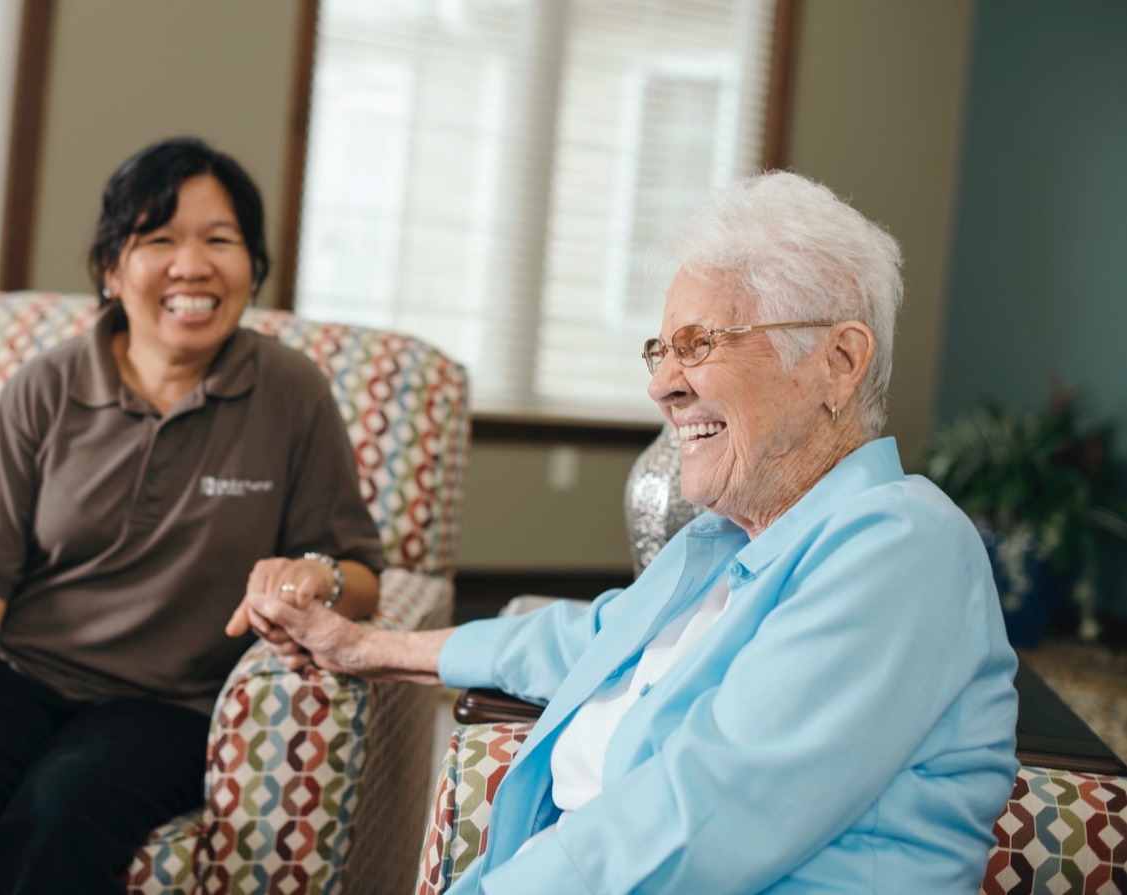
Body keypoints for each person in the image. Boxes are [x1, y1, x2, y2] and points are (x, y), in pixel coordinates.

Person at [252, 172, 1019, 894]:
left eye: (698, 343)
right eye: (661, 349)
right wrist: (364, 648)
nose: (660, 383)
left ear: (838, 361)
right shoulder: (722, 543)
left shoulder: (902, 547)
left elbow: (702, 815)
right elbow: (588, 640)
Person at [0, 137, 385, 893]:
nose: (191, 266)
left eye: (220, 241)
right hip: (17, 672)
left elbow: (361, 577)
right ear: (111, 268)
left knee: (56, 823)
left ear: (253, 266)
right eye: (158, 239)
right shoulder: (45, 388)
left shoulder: (290, 392)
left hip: (165, 703)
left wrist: (316, 576)